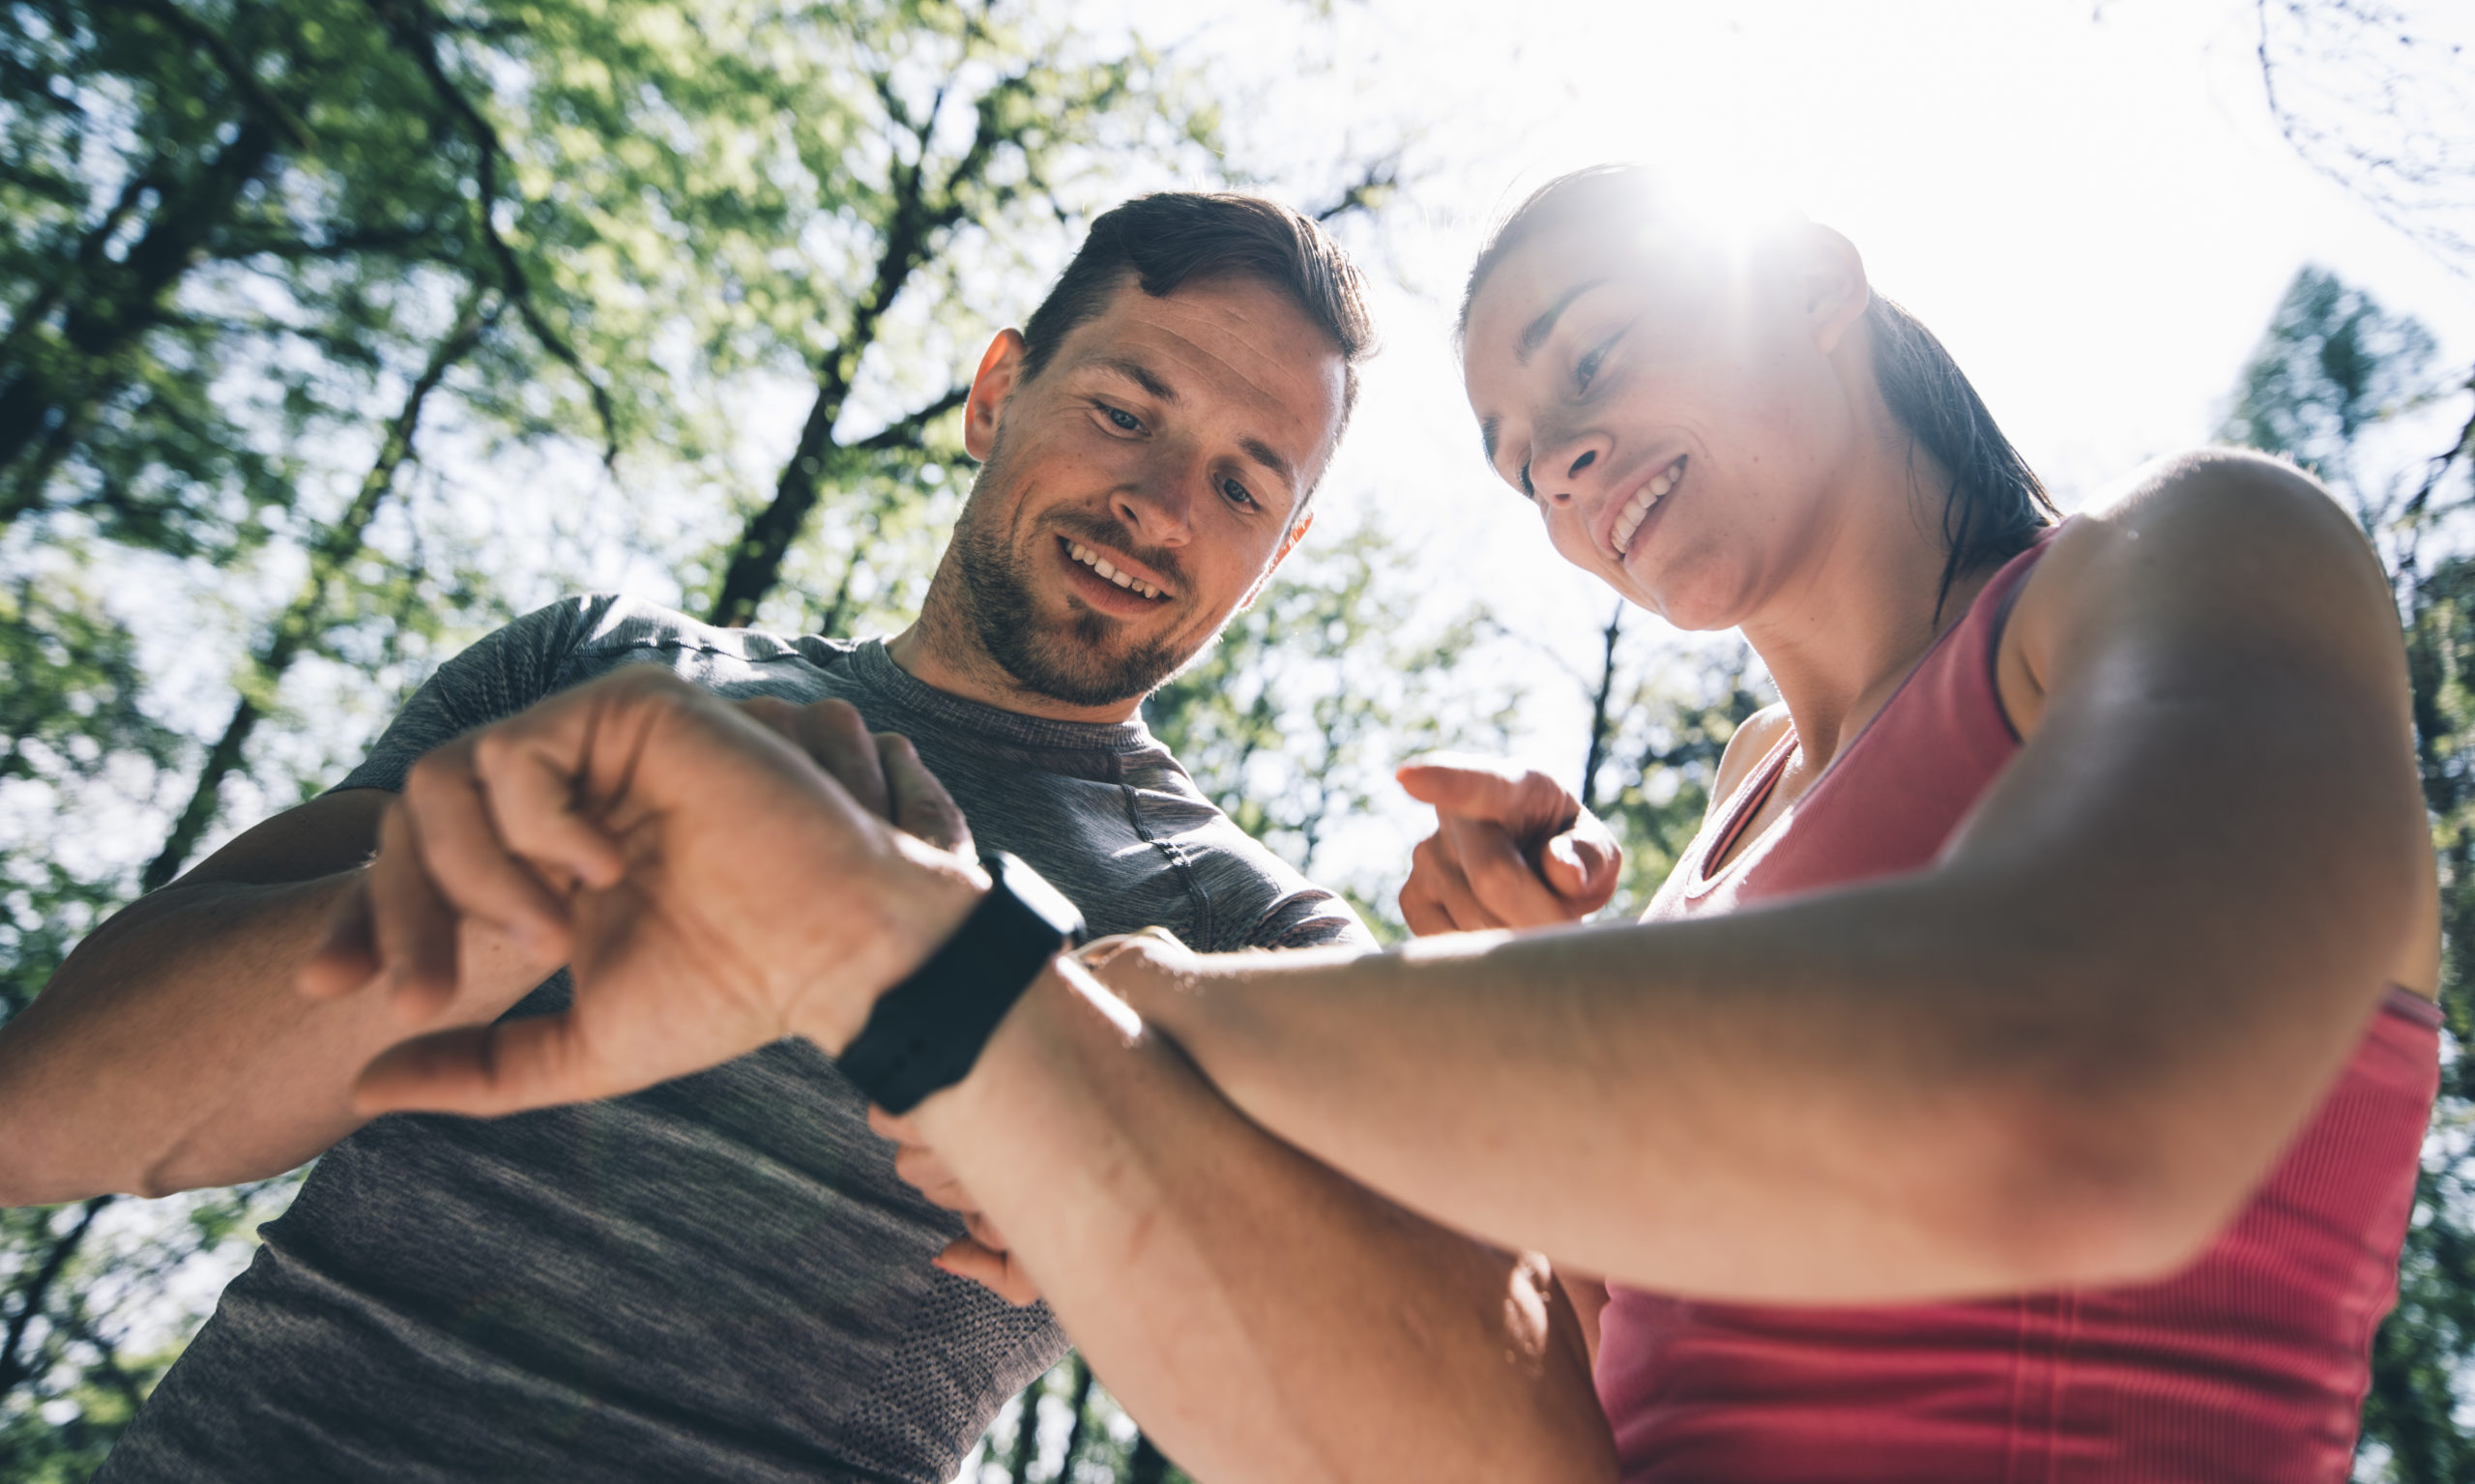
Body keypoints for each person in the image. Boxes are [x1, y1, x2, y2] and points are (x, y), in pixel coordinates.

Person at [307, 167, 2435, 1484]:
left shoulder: (2190, 558)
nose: (1567, 457)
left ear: (1809, 281)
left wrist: (1140, 1008)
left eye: (1595, 359)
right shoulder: (1714, 838)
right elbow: (1559, 1406)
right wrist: (1527, 1008)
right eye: (1519, 457)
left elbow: (2075, 1096)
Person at [0, 191, 1605, 1484]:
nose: (1164, 504)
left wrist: (1509, 1048)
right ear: (995, 393)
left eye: (1245, 486)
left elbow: (1496, 1426)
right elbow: (49, 1118)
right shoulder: (601, 668)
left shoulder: (1260, 943)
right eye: (1126, 409)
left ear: (1278, 553)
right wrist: (579, 860)